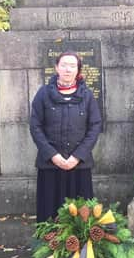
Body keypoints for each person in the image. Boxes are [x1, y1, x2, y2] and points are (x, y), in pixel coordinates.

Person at [30, 52, 102, 222]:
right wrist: (53, 155)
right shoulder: (43, 94)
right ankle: (49, 246)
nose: (67, 69)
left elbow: (95, 126)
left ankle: (82, 247)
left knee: (81, 215)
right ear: (56, 68)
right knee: (50, 213)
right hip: (50, 165)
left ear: (78, 70)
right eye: (63, 65)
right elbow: (35, 126)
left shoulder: (87, 96)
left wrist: (77, 156)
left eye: (72, 66)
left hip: (79, 165)